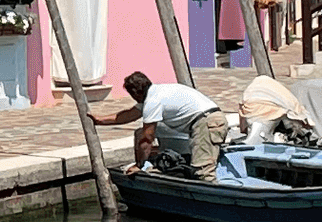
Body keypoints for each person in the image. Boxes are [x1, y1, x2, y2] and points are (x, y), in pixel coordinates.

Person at [97, 69, 227, 177]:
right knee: (141, 132)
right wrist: (98, 119)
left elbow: (147, 138)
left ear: (136, 93)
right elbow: (128, 115)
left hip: (206, 123)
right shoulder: (157, 92)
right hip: (209, 120)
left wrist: (139, 165)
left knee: (203, 172)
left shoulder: (152, 101)